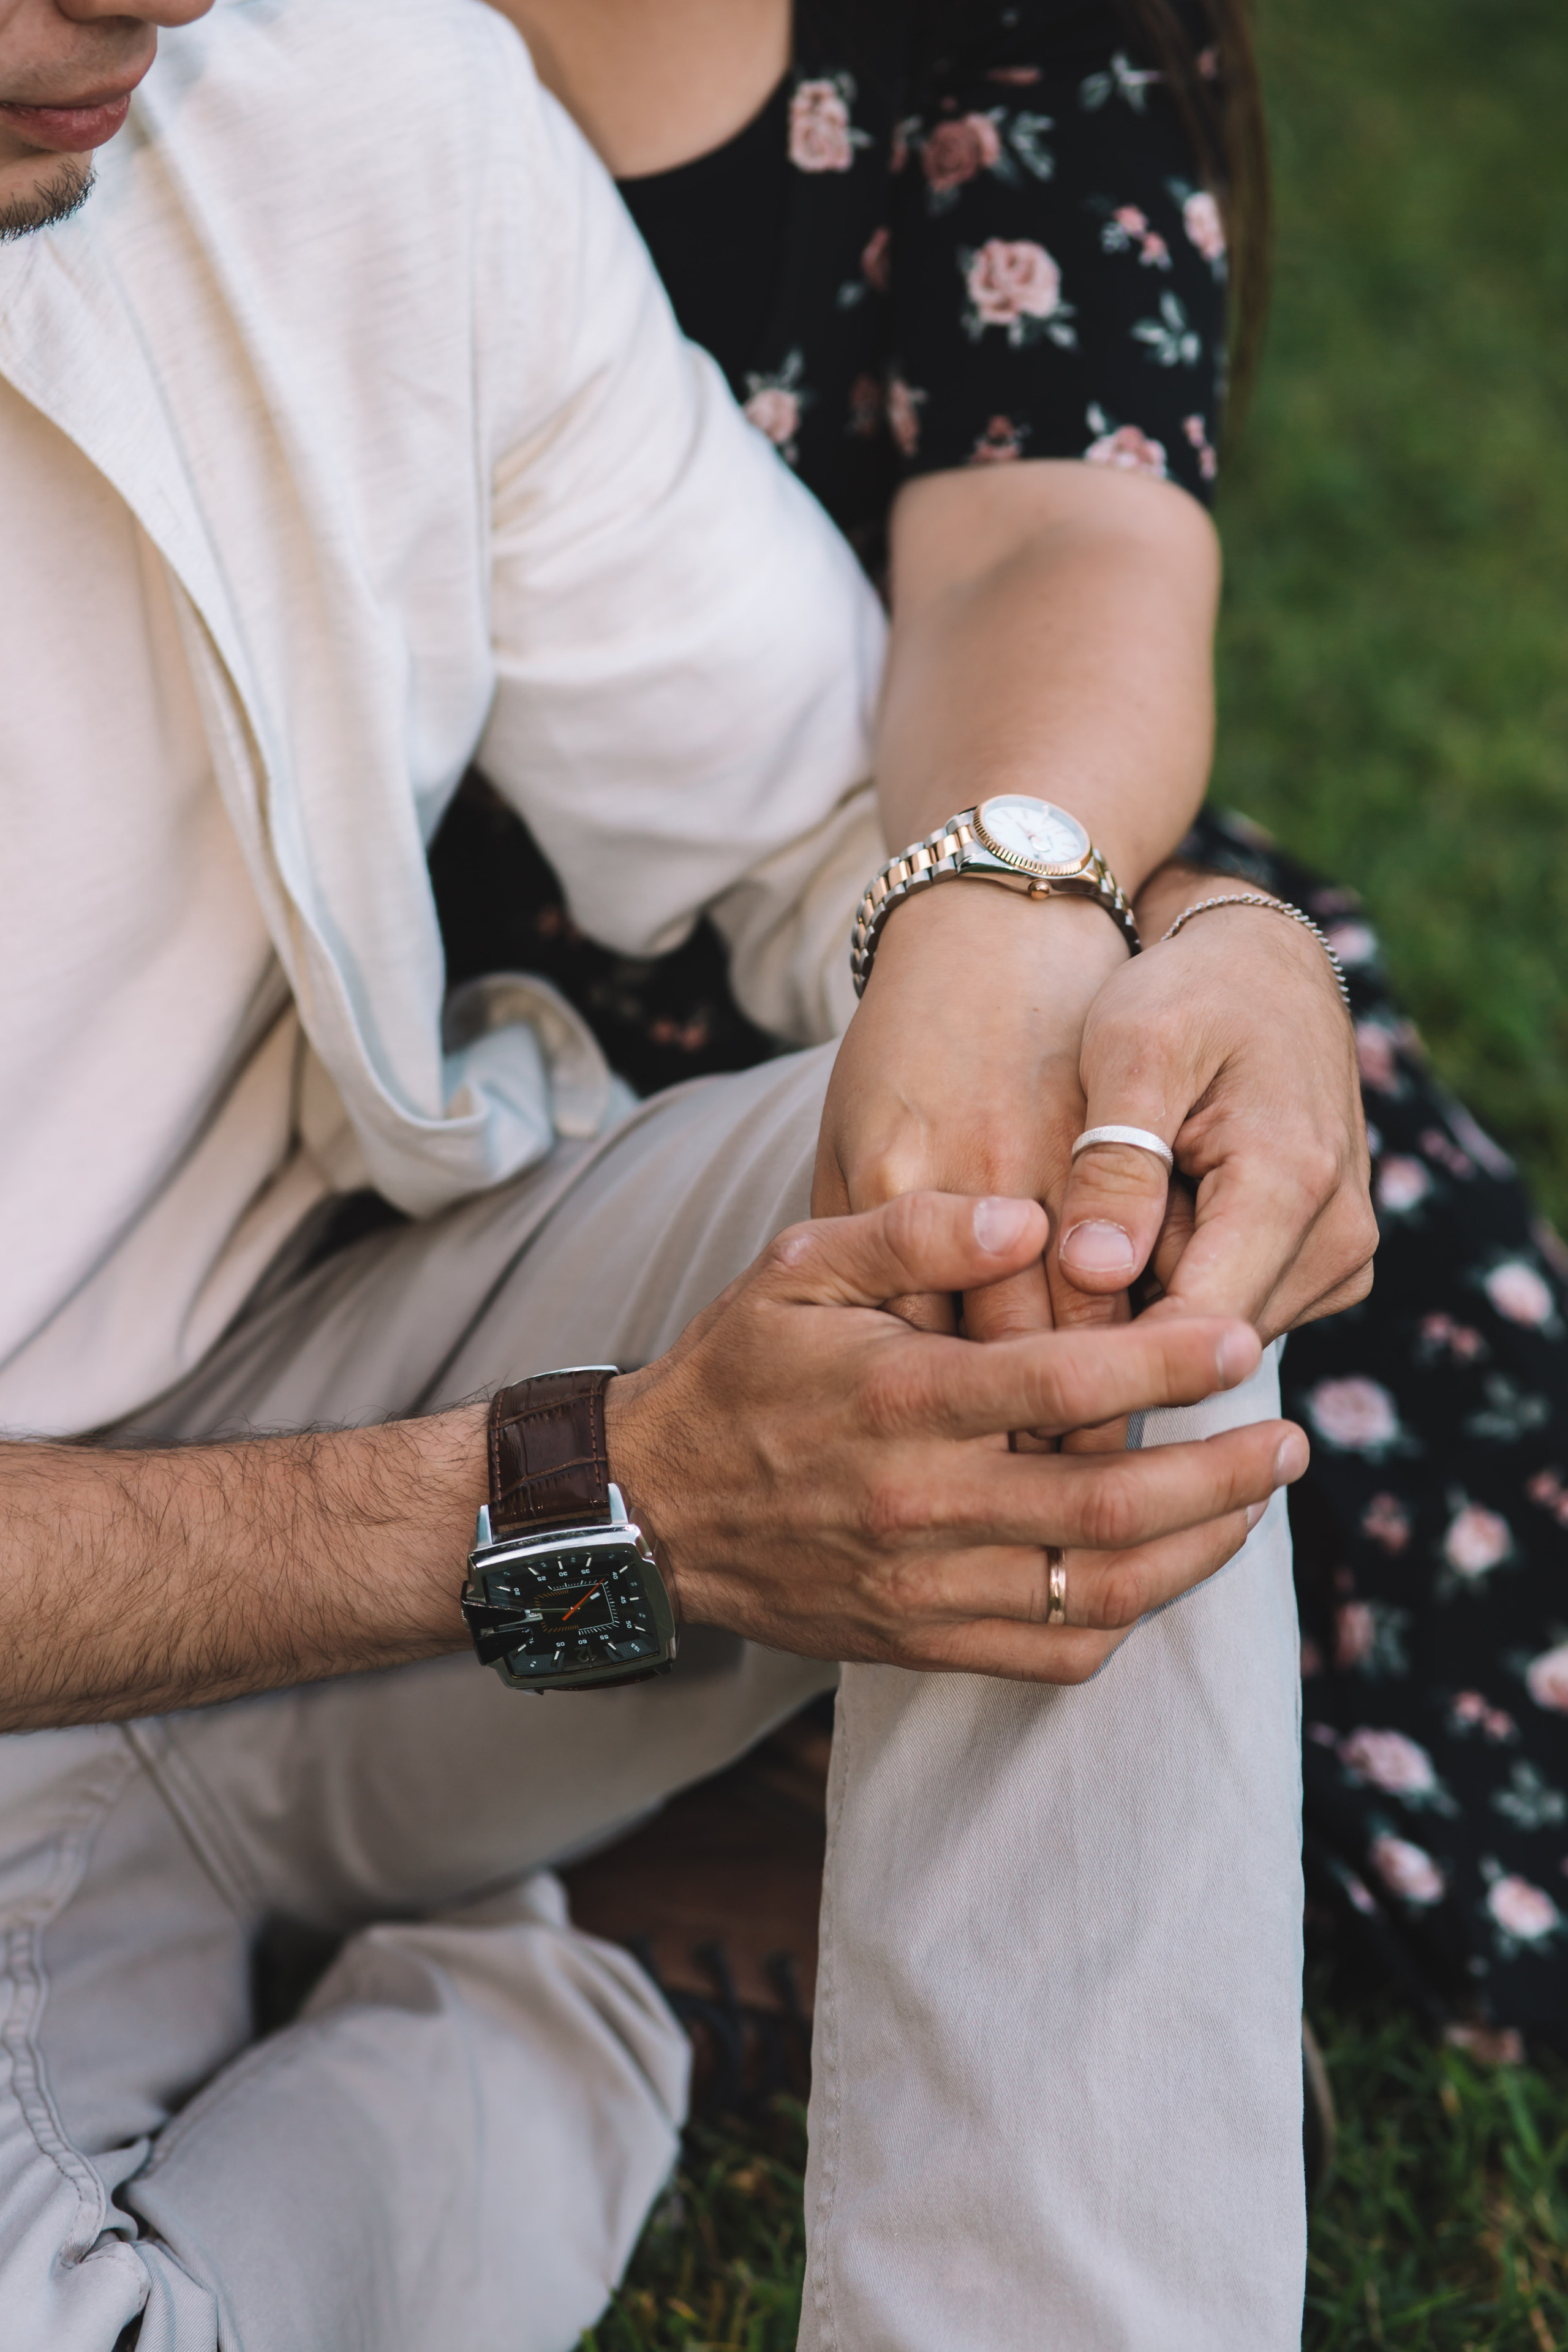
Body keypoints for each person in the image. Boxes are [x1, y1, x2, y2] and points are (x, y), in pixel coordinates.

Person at [0, 1, 1322, 2348]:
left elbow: (860, 847)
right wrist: (617, 1496)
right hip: (318, 1566)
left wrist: (1180, 953)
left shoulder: (351, 100)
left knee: (1083, 1235)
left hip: (313, 1459)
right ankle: (527, 2040)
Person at [458, 0, 1568, 2052]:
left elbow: (1063, 532)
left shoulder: (1000, 25)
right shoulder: (186, 64)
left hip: (913, 876)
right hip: (400, 1044)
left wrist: (994, 906)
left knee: (1194, 1342)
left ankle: (801, 1798)